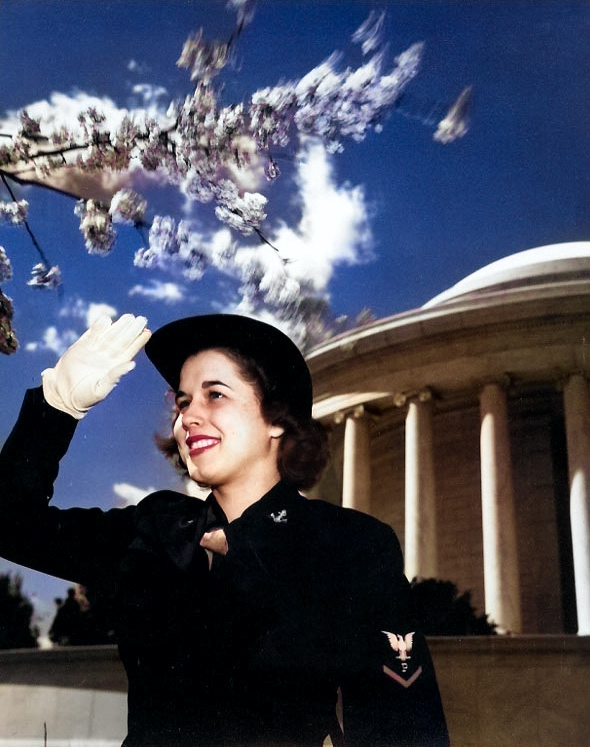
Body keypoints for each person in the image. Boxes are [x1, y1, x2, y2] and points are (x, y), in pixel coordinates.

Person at [0, 312, 449, 747]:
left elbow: (403, 726)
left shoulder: (347, 544)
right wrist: (56, 405)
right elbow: (9, 525)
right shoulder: (154, 529)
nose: (188, 417)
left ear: (277, 418)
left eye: (214, 395)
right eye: (182, 401)